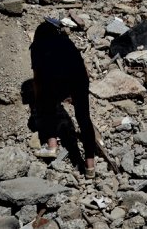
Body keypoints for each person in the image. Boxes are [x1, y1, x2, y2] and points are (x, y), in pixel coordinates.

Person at [30, 19, 97, 178]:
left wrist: (39, 98)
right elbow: (84, 68)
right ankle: (90, 166)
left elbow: (37, 78)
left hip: (54, 80)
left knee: (46, 107)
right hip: (78, 78)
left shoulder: (37, 47)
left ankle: (51, 146)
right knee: (84, 119)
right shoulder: (66, 41)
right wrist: (76, 94)